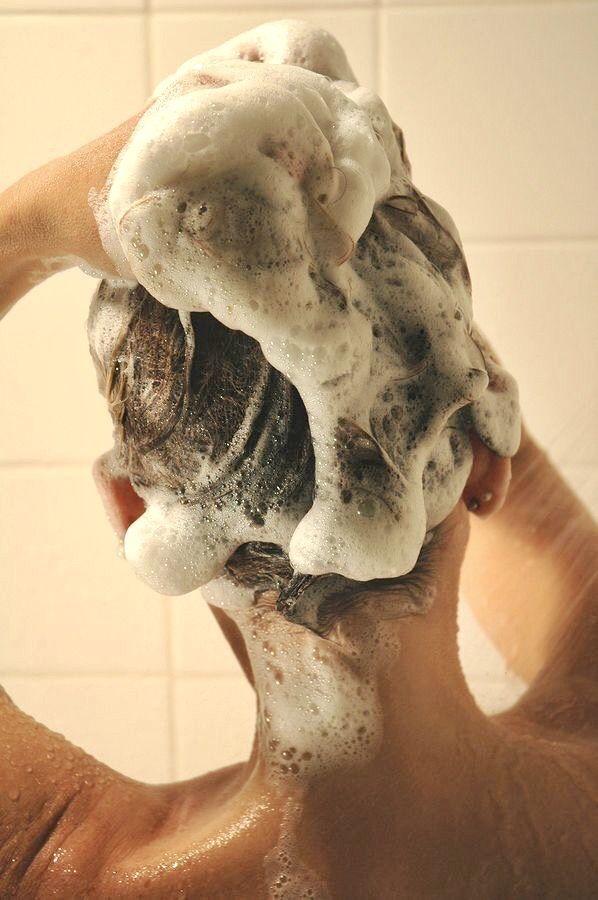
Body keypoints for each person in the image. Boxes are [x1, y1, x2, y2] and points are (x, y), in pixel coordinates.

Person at [1, 121, 597, 900]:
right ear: (485, 459)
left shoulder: (67, 868)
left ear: (131, 511)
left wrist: (42, 214)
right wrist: (405, 316)